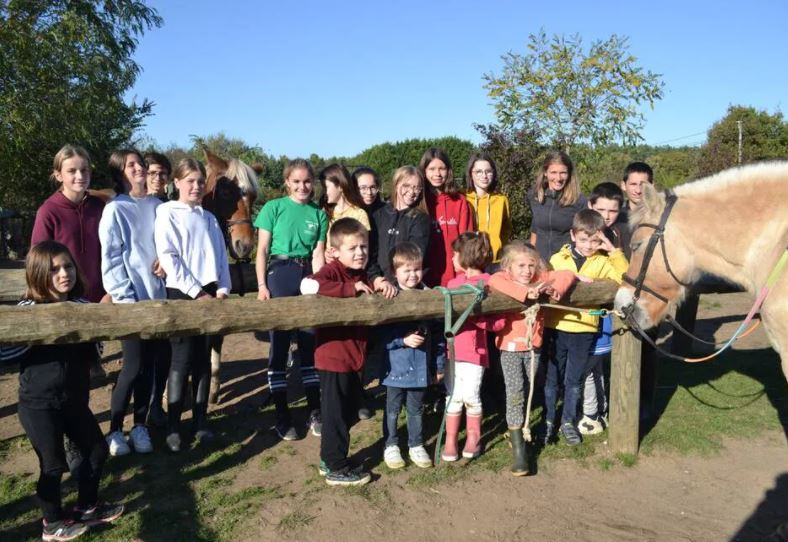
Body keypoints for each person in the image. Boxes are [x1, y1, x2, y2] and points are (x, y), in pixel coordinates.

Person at [1, 241, 123, 541]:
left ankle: (87, 507)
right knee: (52, 466)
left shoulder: (82, 307)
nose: (63, 274)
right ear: (39, 273)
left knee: (96, 450)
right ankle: (52, 523)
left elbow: (96, 347)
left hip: (73, 400)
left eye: (67, 266)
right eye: (54, 269)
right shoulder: (27, 311)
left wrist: (98, 325)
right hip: (38, 404)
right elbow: (4, 355)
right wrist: (36, 335)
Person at [154, 158, 231, 453]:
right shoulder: (167, 213)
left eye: (200, 181)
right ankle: (174, 425)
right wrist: (196, 293)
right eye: (190, 181)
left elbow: (221, 258)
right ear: (177, 183)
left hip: (211, 294)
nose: (196, 186)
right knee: (181, 360)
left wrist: (222, 289)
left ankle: (201, 420)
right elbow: (169, 257)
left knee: (203, 360)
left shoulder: (209, 218)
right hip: (183, 293)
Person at [299, 218, 380, 486]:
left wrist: (377, 283)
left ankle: (330, 459)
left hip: (352, 357)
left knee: (346, 411)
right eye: (353, 248)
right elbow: (309, 285)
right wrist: (348, 290)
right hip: (333, 357)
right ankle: (335, 466)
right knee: (334, 415)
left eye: (364, 247)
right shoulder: (334, 272)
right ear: (334, 251)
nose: (360, 253)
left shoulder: (360, 273)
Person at [100, 149, 167, 456]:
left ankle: (139, 426)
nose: (139, 168)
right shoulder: (116, 209)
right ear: (120, 173)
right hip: (132, 301)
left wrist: (166, 263)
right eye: (131, 165)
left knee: (150, 368)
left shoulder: (158, 206)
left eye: (141, 163)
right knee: (132, 367)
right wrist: (125, 297)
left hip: (158, 299)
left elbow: (168, 245)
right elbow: (111, 258)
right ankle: (114, 430)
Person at [488, 241, 576, 475]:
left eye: (531, 265)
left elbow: (566, 273)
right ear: (508, 267)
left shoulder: (539, 278)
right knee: (516, 392)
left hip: (533, 348)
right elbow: (493, 280)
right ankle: (519, 450)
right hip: (510, 348)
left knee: (528, 387)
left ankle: (516, 427)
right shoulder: (504, 280)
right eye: (521, 266)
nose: (527, 270)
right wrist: (526, 293)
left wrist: (554, 290)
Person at [543, 210, 628, 446]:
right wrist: (572, 275)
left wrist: (614, 251)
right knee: (552, 379)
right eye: (584, 239)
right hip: (556, 326)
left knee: (574, 380)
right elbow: (546, 275)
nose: (589, 245)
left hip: (584, 329)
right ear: (572, 235)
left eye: (595, 240)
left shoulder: (603, 261)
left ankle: (567, 421)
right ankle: (549, 421)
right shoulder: (558, 259)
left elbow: (626, 278)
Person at [255, 159, 326, 441]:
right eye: (296, 181)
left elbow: (318, 253)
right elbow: (261, 249)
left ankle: (314, 409)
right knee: (280, 342)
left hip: (306, 272)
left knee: (310, 341)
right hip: (280, 271)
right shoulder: (273, 208)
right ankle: (282, 413)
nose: (302, 186)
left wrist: (321, 284)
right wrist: (262, 285)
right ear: (287, 182)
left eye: (307, 181)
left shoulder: (318, 214)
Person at [380, 243, 445, 470]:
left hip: (420, 369)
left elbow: (438, 336)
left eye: (416, 269)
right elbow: (381, 336)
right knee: (393, 410)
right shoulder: (389, 297)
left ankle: (416, 444)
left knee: (416, 409)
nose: (412, 275)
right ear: (395, 271)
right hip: (395, 370)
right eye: (406, 270)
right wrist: (402, 340)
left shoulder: (430, 296)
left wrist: (439, 366)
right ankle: (390, 444)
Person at [441, 232, 503, 462]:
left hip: (476, 353)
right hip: (453, 351)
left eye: (454, 254)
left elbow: (499, 322)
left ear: (465, 257)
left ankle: (473, 436)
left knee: (471, 396)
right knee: (454, 396)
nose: (451, 259)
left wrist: (476, 319)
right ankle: (450, 438)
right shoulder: (453, 284)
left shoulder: (490, 284)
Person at [579, 182, 625, 435]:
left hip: (606, 315)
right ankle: (594, 410)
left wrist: (614, 252)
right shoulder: (583, 236)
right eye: (601, 210)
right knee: (589, 367)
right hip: (580, 317)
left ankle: (595, 412)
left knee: (595, 366)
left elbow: (625, 276)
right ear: (590, 207)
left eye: (612, 211)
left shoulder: (617, 237)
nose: (606, 216)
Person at [32, 144, 106, 303]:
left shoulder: (100, 207)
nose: (80, 176)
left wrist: (110, 292)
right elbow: (39, 262)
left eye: (84, 170)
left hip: (102, 298)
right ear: (59, 175)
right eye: (72, 171)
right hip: (64, 301)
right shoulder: (48, 211)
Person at [367, 166, 431, 286]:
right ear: (396, 185)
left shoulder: (421, 220)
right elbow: (370, 252)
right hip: (378, 284)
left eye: (417, 187)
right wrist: (375, 278)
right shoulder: (379, 215)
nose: (412, 192)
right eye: (406, 186)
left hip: (404, 288)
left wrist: (396, 284)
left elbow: (413, 259)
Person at [420, 148, 474, 287]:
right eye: (431, 169)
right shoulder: (420, 201)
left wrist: (463, 273)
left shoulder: (460, 201)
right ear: (424, 171)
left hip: (454, 277)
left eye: (442, 168)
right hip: (423, 278)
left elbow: (466, 241)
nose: (437, 173)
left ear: (448, 171)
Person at [527, 151, 588, 262]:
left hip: (567, 263)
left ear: (569, 174)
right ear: (545, 173)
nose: (558, 178)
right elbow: (535, 229)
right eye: (553, 172)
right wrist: (531, 256)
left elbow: (585, 236)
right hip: (540, 262)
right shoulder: (534, 196)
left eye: (563, 173)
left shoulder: (579, 201)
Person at [465, 152, 512, 264]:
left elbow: (506, 230)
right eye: (479, 172)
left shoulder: (501, 200)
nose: (484, 176)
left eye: (488, 171)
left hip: (496, 260)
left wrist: (501, 249)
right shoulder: (463, 198)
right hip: (469, 260)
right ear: (471, 174)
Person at [319, 163, 370, 230]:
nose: (324, 192)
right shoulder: (325, 213)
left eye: (326, 187)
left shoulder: (359, 215)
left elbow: (363, 240)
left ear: (340, 186)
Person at [618, 162, 655, 256]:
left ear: (652, 186)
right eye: (633, 184)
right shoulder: (616, 217)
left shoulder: (660, 217)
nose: (638, 190)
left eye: (643, 184)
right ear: (623, 185)